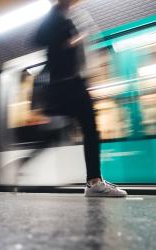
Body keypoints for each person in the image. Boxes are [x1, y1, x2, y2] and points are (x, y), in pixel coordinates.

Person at [35, 0, 127, 197]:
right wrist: (73, 40)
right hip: (68, 84)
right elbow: (39, 39)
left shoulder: (65, 17)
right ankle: (94, 182)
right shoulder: (55, 17)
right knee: (90, 129)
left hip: (72, 83)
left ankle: (93, 180)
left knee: (83, 128)